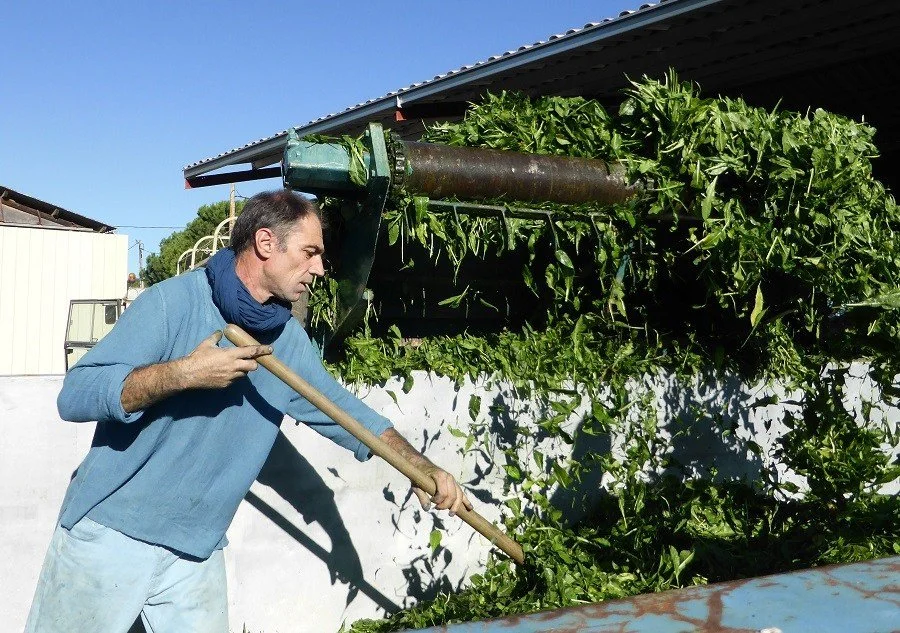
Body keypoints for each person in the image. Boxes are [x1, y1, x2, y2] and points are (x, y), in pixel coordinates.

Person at [25, 190, 472, 633]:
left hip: (196, 554)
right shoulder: (172, 303)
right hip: (110, 536)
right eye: (310, 252)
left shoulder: (287, 342)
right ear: (265, 244)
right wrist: (181, 374)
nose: (319, 268)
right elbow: (76, 394)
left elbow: (348, 416)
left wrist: (419, 466)